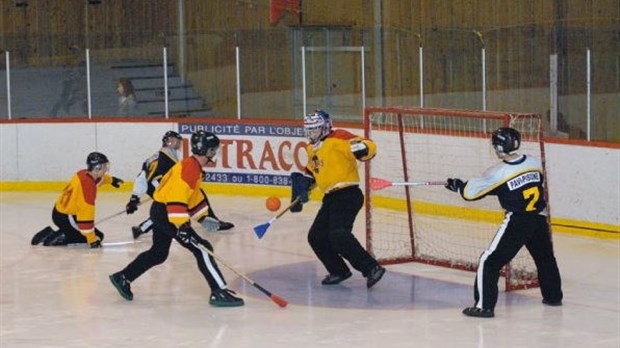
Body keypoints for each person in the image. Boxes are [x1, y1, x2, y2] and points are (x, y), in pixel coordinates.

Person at [109, 130, 244, 307]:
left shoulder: (193, 166)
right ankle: (218, 291)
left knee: (159, 253)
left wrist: (203, 218)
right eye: (214, 150)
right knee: (202, 248)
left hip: (161, 211)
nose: (215, 153)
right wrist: (183, 226)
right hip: (167, 214)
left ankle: (123, 277)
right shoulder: (189, 168)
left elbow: (192, 196)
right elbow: (176, 199)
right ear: (207, 151)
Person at [445, 127, 563, 318]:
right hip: (539, 218)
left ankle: (484, 306)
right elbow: (515, 185)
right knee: (545, 259)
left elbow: (471, 193)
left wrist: (458, 186)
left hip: (517, 222)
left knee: (488, 261)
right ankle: (553, 297)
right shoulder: (534, 163)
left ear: (499, 147)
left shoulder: (497, 172)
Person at [290, 109, 386, 289]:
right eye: (308, 129)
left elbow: (367, 146)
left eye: (314, 129)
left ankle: (372, 268)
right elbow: (313, 172)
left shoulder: (338, 137)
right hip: (330, 199)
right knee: (316, 237)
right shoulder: (312, 148)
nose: (310, 133)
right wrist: (304, 186)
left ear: (325, 127)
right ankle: (339, 270)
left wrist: (364, 148)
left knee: (338, 234)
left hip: (348, 195)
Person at [125, 130, 234, 239]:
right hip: (158, 186)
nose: (177, 143)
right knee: (164, 210)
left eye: (178, 140)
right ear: (166, 141)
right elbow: (143, 176)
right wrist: (134, 198)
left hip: (162, 186)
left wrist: (135, 198)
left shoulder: (168, 154)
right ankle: (141, 229)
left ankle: (141, 229)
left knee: (193, 195)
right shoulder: (162, 156)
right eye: (173, 140)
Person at [30, 152, 124, 247]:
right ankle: (53, 237)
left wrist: (112, 180)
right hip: (66, 217)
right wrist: (92, 241)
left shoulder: (83, 173)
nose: (106, 169)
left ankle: (65, 231)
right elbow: (85, 219)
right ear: (97, 168)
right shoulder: (88, 190)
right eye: (104, 166)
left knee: (98, 235)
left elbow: (99, 179)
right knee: (95, 237)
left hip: (61, 211)